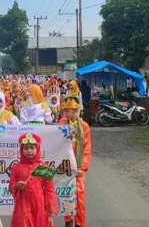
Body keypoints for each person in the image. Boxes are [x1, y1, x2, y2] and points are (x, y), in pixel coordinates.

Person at [9, 133, 57, 227]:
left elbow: (49, 191)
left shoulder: (43, 168)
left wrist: (50, 213)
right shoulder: (16, 168)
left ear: (37, 149)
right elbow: (11, 187)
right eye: (26, 148)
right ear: (22, 150)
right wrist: (17, 185)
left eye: (32, 147)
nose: (29, 151)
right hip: (22, 206)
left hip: (40, 206)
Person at [58, 96, 92, 227]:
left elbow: (86, 149)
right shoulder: (62, 123)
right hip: (65, 166)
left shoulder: (84, 126)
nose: (65, 113)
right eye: (64, 111)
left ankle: (79, 223)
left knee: (79, 196)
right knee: (66, 194)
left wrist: (81, 168)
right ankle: (68, 221)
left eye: (67, 111)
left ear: (75, 111)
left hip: (77, 168)